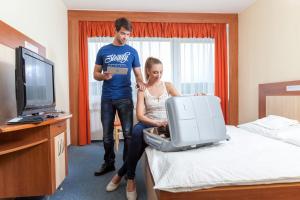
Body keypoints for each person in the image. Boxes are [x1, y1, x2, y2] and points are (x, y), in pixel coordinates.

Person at [105, 57, 180, 200]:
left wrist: (196, 95)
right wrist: (155, 123)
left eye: (161, 72)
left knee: (137, 143)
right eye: (155, 72)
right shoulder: (142, 89)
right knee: (137, 131)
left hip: (166, 124)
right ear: (147, 71)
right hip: (149, 122)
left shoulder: (168, 86)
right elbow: (140, 116)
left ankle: (120, 174)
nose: (159, 75)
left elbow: (182, 101)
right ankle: (131, 179)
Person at [93, 17, 146, 176]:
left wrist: (140, 82)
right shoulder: (103, 50)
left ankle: (126, 165)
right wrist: (103, 76)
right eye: (122, 33)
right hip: (107, 98)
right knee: (107, 136)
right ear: (115, 31)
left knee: (129, 135)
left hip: (125, 97)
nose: (125, 37)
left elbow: (138, 74)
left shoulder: (132, 52)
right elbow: (95, 74)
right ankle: (109, 163)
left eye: (128, 34)